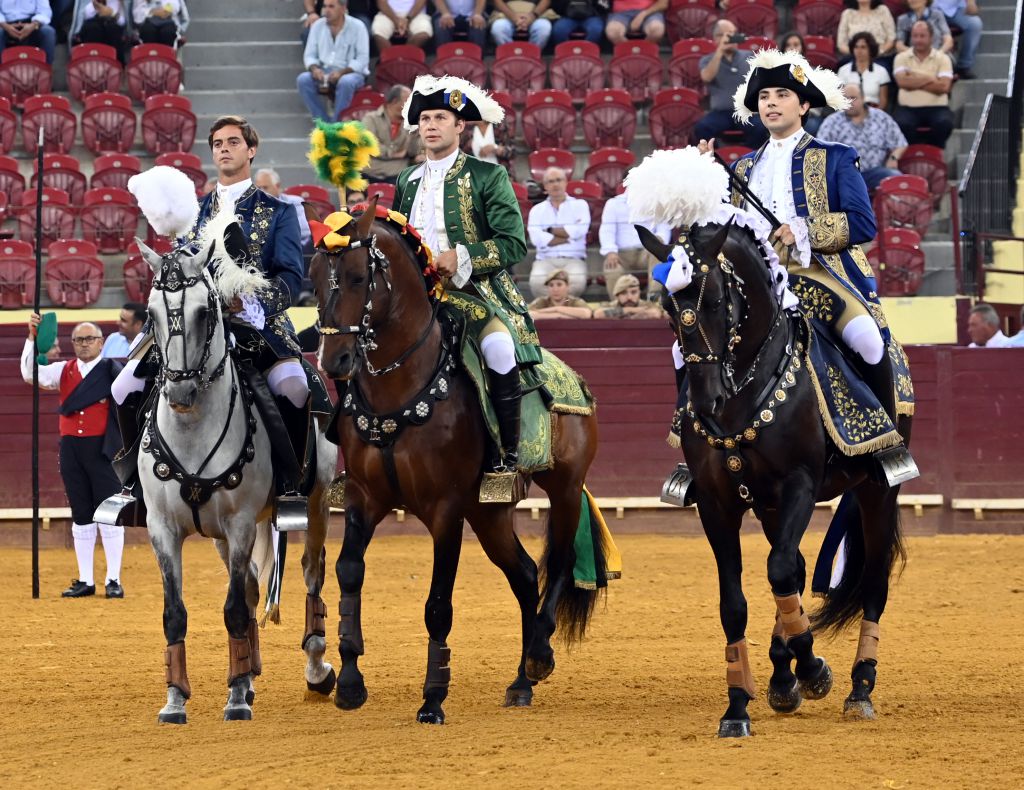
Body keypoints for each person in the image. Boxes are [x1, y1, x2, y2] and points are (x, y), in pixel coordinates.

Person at [102, 116, 308, 527]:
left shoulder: (280, 211)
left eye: (234, 142)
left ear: (251, 150)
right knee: (123, 385)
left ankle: (290, 486)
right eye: (217, 144)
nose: (224, 149)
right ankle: (132, 485)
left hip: (255, 325)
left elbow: (290, 276)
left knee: (294, 387)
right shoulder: (191, 212)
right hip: (190, 328)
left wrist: (252, 301)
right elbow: (176, 270)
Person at [717, 47, 911, 466]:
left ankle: (884, 443)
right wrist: (701, 179)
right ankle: (697, 447)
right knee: (688, 347)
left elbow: (863, 224)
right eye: (764, 96)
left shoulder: (835, 156)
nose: (770, 102)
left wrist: (804, 229)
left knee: (869, 340)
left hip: (818, 274)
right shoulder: (740, 169)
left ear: (804, 105)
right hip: (754, 286)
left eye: (781, 95)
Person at [393, 75, 542, 477]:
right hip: (415, 299)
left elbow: (513, 244)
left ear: (460, 126)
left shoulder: (487, 176)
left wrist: (460, 257)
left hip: (477, 294)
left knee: (497, 348)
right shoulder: (405, 181)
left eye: (440, 117)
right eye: (424, 118)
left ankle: (506, 456)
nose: (430, 125)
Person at [22, 314, 125, 599]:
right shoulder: (63, 369)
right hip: (72, 449)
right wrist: (32, 339)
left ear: (101, 342)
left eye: (89, 339)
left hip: (103, 449)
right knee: (81, 513)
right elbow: (31, 374)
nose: (83, 345)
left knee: (109, 514)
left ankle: (113, 579)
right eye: (78, 340)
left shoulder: (112, 370)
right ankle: (85, 579)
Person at [817, 82, 907, 192]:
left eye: (853, 98)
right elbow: (819, 151)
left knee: (896, 177)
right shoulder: (832, 122)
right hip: (844, 174)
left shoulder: (881, 118)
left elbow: (900, 144)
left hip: (875, 172)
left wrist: (893, 158)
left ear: (864, 98)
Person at [694, 20, 767, 150]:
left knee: (761, 127)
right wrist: (720, 51)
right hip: (721, 113)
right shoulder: (707, 60)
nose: (729, 38)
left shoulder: (750, 57)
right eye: (723, 35)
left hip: (746, 112)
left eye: (732, 34)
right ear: (716, 38)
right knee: (702, 128)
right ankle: (717, 160)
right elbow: (706, 77)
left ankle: (746, 159)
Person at [298, 0, 370, 123]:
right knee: (303, 79)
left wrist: (342, 72)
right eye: (325, 6)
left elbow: (362, 59)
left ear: (343, 8)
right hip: (325, 71)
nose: (327, 10)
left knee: (346, 82)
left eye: (331, 6)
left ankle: (337, 124)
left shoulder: (358, 26)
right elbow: (309, 55)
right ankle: (322, 122)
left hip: (350, 73)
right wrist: (315, 69)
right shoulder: (317, 26)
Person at [527, 166, 591, 298]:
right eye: (550, 181)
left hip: (573, 259)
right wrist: (569, 237)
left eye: (559, 180)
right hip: (545, 259)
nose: (555, 184)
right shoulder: (537, 210)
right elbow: (536, 239)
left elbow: (580, 231)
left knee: (577, 283)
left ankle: (562, 308)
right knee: (536, 282)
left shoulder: (580, 205)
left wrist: (548, 230)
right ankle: (554, 309)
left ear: (566, 182)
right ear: (545, 186)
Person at [598, 189, 671, 300]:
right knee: (611, 267)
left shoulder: (657, 203)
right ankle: (617, 304)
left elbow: (664, 229)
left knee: (658, 249)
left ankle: (654, 298)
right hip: (621, 255)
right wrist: (610, 252)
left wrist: (658, 241)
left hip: (646, 252)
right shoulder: (613, 203)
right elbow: (607, 230)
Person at [892, 21, 955, 148]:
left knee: (944, 124)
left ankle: (934, 151)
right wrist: (931, 78)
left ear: (931, 37)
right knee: (901, 124)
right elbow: (902, 82)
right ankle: (912, 153)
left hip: (937, 108)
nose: (918, 40)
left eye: (922, 36)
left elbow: (943, 87)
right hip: (907, 108)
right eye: (915, 36)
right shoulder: (901, 58)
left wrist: (913, 77)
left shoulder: (943, 58)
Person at [361, 84, 422, 183]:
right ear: (394, 102)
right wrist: (393, 154)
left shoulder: (412, 124)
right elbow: (368, 145)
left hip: (397, 175)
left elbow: (413, 152)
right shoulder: (371, 119)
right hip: (369, 172)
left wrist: (416, 135)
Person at [254, 167, 313, 249]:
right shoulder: (253, 206)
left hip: (293, 250)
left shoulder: (295, 202)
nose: (262, 192)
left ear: (277, 186)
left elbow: (304, 230)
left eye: (265, 188)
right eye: (259, 188)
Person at [837, 31, 892, 108]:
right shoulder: (843, 70)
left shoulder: (881, 71)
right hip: (850, 112)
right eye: (856, 47)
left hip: (874, 112)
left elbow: (883, 100)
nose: (859, 51)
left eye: (863, 47)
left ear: (871, 50)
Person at [933, 0, 982, 79]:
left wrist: (971, 2)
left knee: (975, 24)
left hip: (954, 9)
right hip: (928, 8)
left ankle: (963, 66)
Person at [528, 269, 593, 319]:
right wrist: (558, 315)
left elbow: (586, 314)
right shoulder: (542, 301)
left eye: (559, 285)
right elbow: (528, 315)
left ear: (567, 286)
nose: (555, 289)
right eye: (551, 285)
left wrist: (557, 309)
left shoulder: (574, 301)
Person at [594, 274, 663, 319]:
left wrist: (629, 317)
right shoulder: (609, 305)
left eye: (634, 292)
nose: (629, 297)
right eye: (624, 293)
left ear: (639, 293)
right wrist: (631, 310)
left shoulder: (646, 305)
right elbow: (598, 314)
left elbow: (655, 313)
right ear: (617, 295)